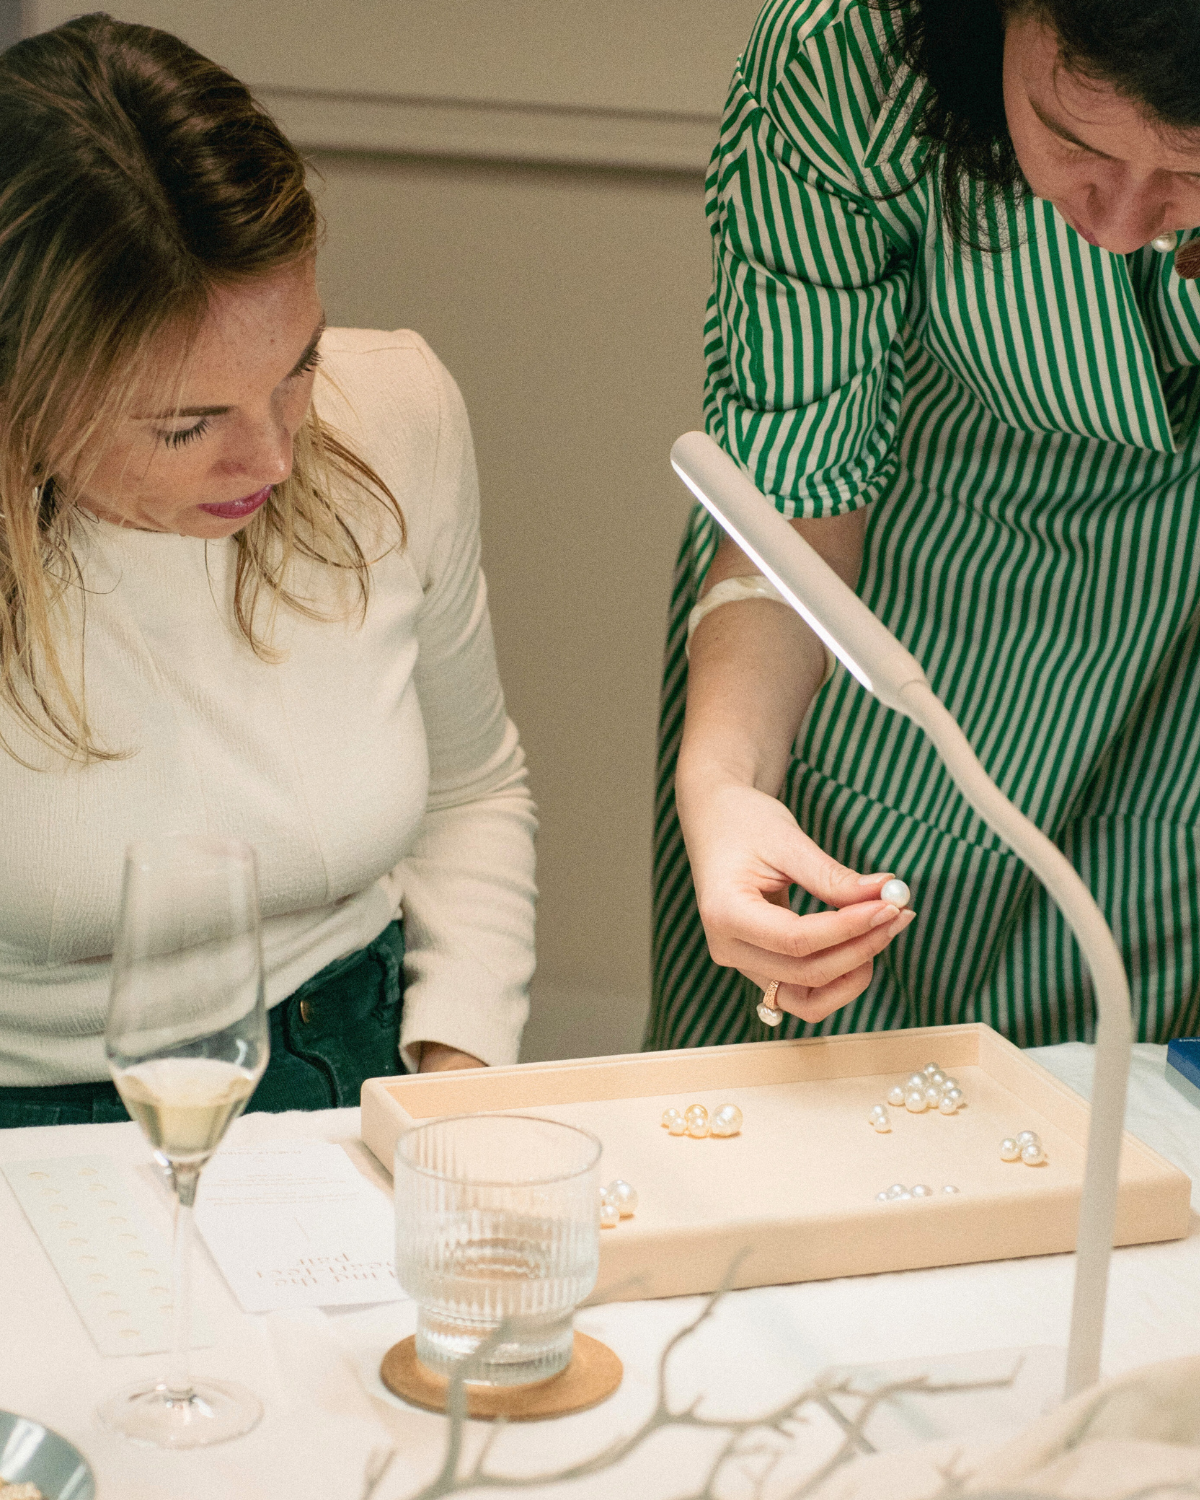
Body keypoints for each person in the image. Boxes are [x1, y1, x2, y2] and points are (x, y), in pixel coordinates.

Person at [0, 14, 537, 1125]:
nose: (278, 458)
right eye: (185, 425)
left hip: (344, 1061)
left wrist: (456, 1086)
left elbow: (471, 790)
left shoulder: (396, 415)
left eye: (297, 367)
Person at [650, 0, 1200, 1051]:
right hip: (877, 614)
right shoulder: (842, 64)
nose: (1123, 224)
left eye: (1192, 173)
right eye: (1071, 139)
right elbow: (790, 509)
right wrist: (723, 784)